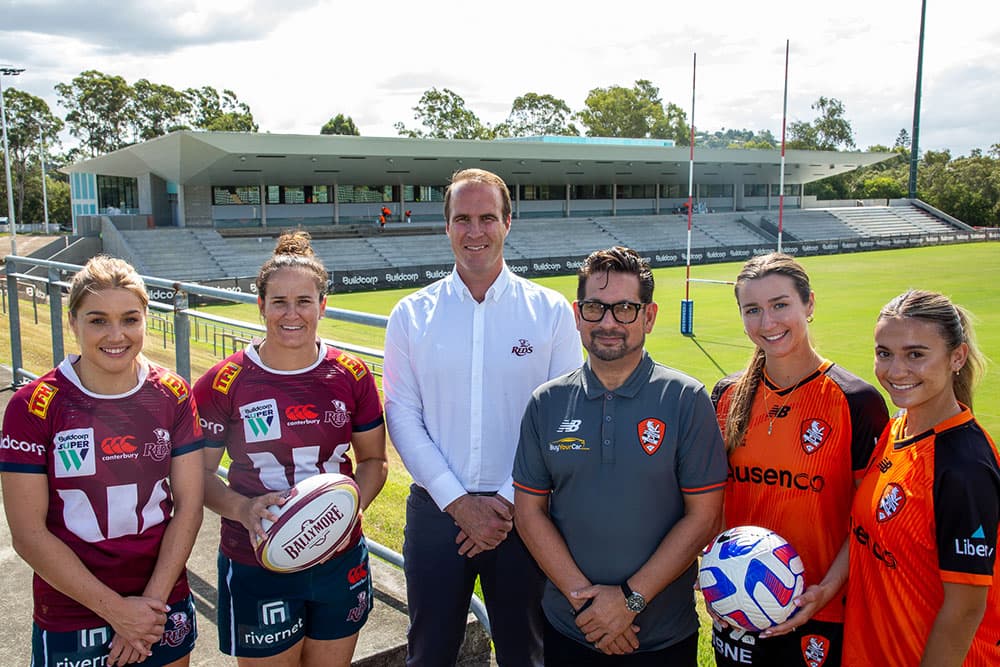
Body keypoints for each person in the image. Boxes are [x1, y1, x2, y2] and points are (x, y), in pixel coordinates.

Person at [383, 168, 583, 666]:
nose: (475, 231)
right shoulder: (411, 314)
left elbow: (565, 417)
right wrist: (458, 503)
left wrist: (507, 502)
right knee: (428, 654)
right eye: (463, 219)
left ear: (508, 222)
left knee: (526, 655)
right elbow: (403, 414)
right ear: (446, 226)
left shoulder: (551, 311)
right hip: (436, 514)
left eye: (487, 218)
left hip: (528, 514)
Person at [513, 246, 728, 666]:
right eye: (595, 308)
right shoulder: (547, 402)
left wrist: (629, 601)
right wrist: (587, 606)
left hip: (662, 637)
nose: (608, 322)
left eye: (626, 309)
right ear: (577, 315)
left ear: (648, 316)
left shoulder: (685, 398)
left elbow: (704, 516)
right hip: (570, 629)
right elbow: (529, 513)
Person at [193, 230, 388, 666]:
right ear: (260, 305)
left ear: (323, 305)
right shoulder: (224, 382)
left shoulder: (351, 374)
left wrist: (342, 515)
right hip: (255, 561)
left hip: (339, 558)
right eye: (278, 302)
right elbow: (197, 477)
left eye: (304, 301)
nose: (291, 314)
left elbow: (374, 460)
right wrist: (244, 510)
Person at [0, 255, 204, 667]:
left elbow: (189, 506)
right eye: (98, 320)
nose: (116, 334)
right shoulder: (33, 406)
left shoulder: (173, 393)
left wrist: (147, 606)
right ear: (73, 321)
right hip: (72, 609)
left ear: (147, 319)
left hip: (160, 601)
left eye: (130, 319)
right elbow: (27, 534)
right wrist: (117, 612)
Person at [709, 252, 888, 667]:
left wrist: (826, 589)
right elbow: (716, 501)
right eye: (752, 310)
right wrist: (715, 577)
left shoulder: (855, 401)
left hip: (820, 610)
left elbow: (866, 521)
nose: (767, 323)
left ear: (809, 304)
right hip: (738, 606)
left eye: (780, 305)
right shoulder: (727, 395)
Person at [844, 289, 998, 666]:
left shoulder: (965, 467)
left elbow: (964, 611)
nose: (895, 371)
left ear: (956, 357)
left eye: (916, 354)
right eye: (884, 353)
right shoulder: (898, 428)